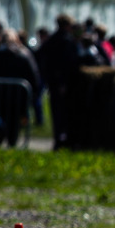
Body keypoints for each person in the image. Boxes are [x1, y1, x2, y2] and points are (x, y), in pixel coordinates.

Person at [0, 28, 42, 146]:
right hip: (17, 97)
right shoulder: (24, 55)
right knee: (13, 122)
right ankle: (11, 142)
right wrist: (34, 93)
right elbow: (33, 74)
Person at [36, 13, 80, 149]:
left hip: (53, 82)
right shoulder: (66, 41)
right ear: (67, 26)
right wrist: (63, 82)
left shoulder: (51, 40)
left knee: (56, 112)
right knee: (66, 112)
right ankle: (65, 139)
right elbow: (67, 63)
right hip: (65, 82)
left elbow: (40, 57)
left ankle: (58, 139)